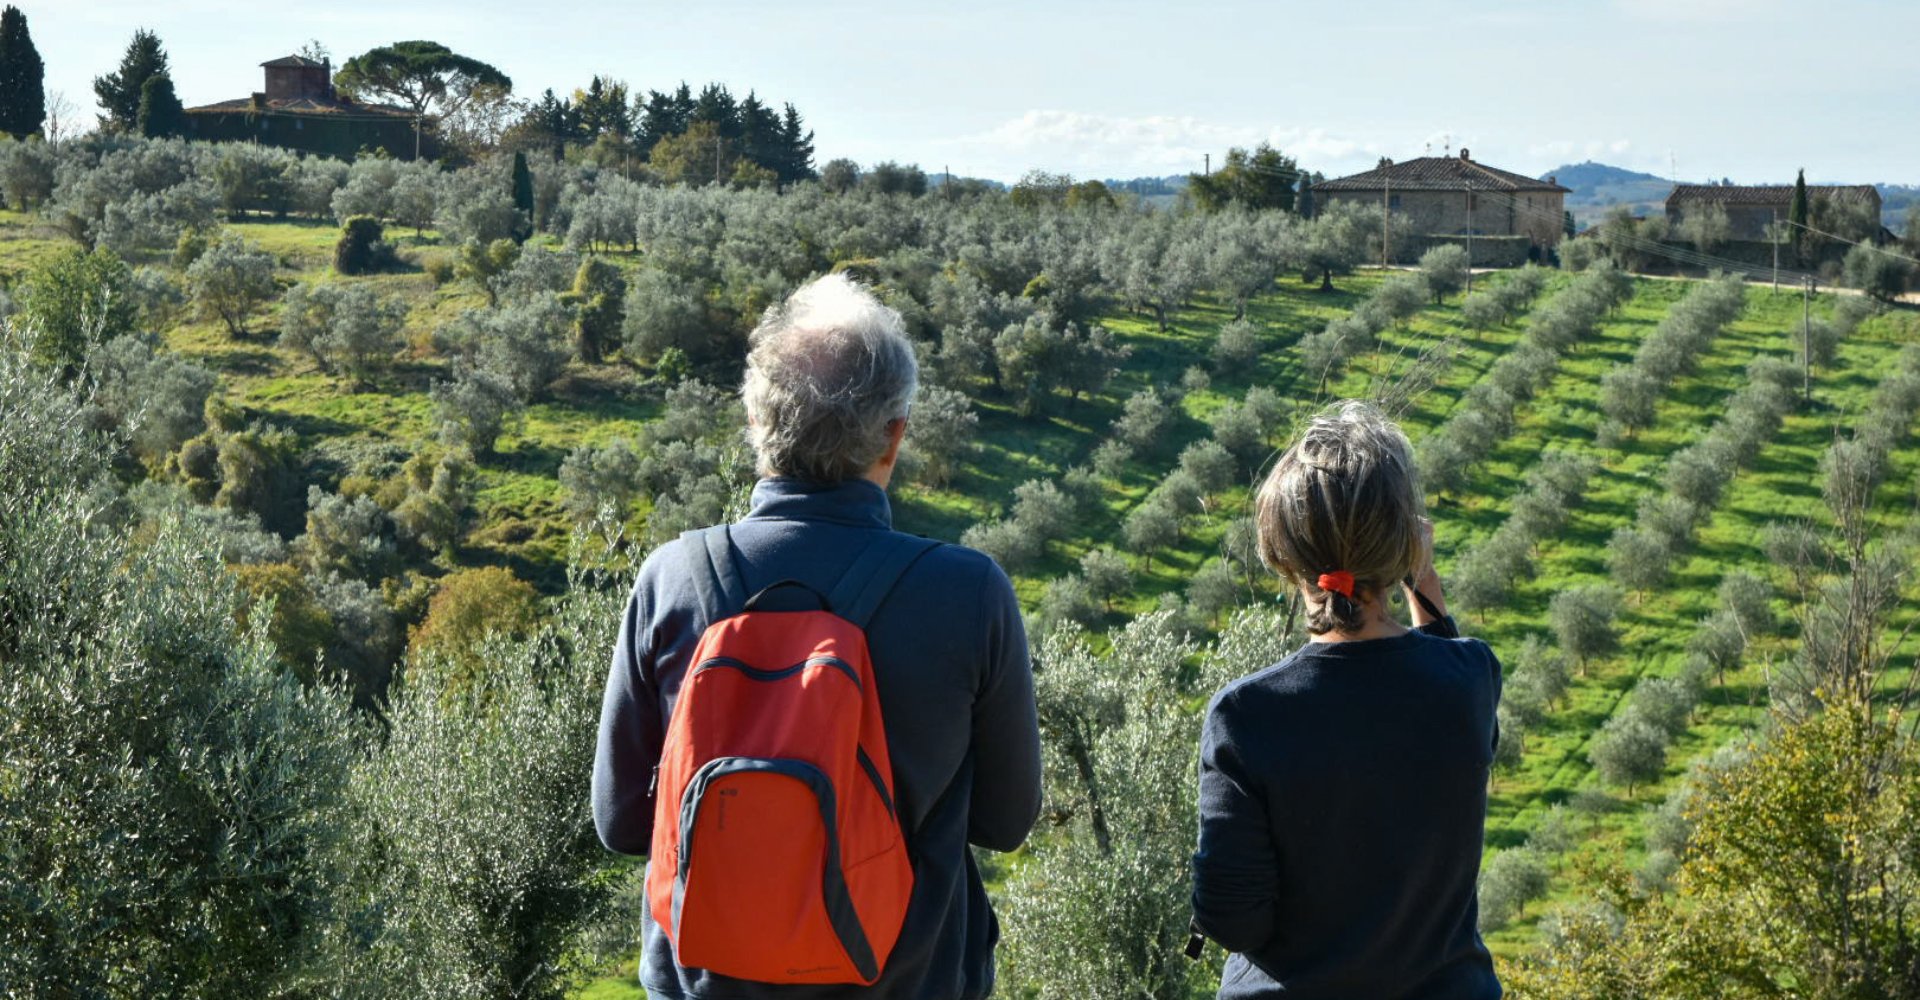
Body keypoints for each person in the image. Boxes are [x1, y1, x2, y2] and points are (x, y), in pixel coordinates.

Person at [593, 273, 1042, 1000]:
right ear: (893, 436)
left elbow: (619, 822)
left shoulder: (672, 578)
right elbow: (1004, 822)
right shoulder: (969, 592)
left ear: (755, 423)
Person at [1189, 400, 1502, 999]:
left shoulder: (1246, 716)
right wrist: (1424, 579)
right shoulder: (1469, 680)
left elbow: (1234, 920)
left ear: (1280, 551)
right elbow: (1443, 666)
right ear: (1406, 549)